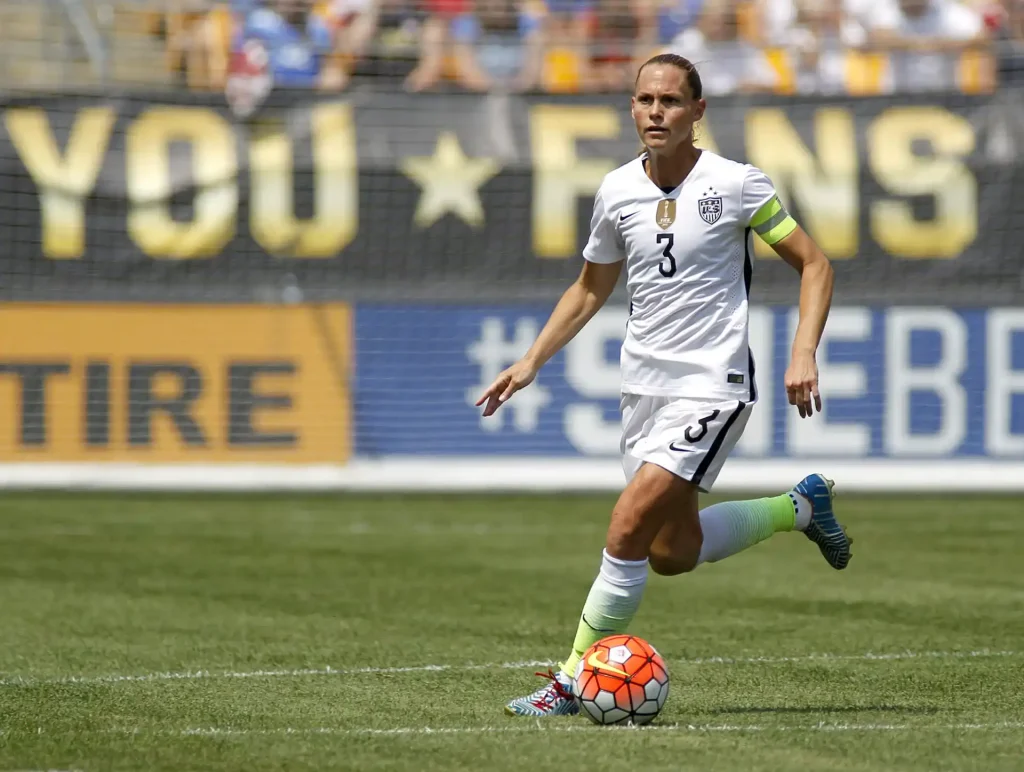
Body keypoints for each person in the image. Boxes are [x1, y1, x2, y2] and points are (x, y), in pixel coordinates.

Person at [474, 52, 853, 718]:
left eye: (671, 101)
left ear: (697, 112)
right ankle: (800, 508)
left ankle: (568, 684)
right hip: (641, 388)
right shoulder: (616, 190)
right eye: (646, 100)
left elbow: (814, 264)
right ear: (632, 107)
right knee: (672, 553)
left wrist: (803, 351)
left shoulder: (738, 185)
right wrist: (532, 359)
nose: (656, 112)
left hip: (714, 384)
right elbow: (592, 286)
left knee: (625, 528)